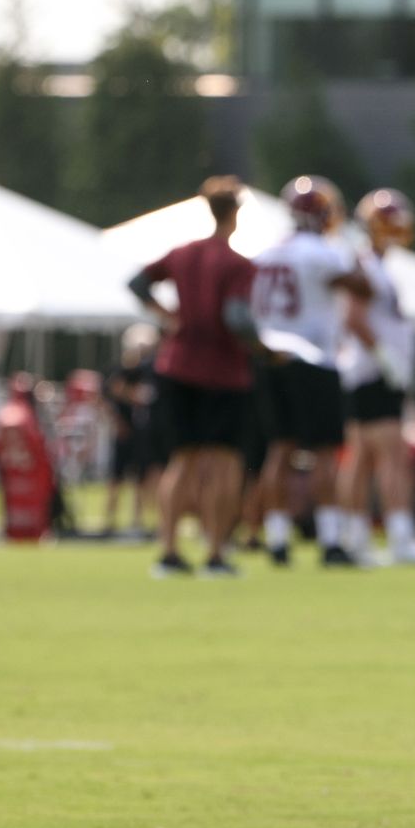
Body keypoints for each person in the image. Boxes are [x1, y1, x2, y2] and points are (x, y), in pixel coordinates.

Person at [127, 176, 269, 578]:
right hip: (224, 371)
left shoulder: (182, 253)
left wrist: (169, 319)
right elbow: (238, 319)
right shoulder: (237, 263)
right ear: (235, 215)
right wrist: (266, 350)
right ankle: (216, 553)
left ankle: (169, 552)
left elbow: (138, 283)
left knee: (181, 461)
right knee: (224, 464)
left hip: (177, 367)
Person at [252, 176, 372, 569]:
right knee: (323, 452)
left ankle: (278, 540)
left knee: (279, 450)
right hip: (314, 359)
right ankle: (330, 541)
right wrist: (355, 254)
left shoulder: (266, 253)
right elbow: (362, 287)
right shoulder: (322, 251)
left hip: (271, 357)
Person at [336, 189, 415, 566]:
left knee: (363, 458)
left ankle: (354, 537)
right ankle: (399, 535)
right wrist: (385, 356)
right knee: (391, 456)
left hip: (368, 373)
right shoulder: (365, 265)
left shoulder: (377, 265)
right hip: (372, 373)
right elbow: (353, 316)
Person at [101, 323, 164, 537]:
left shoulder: (148, 370)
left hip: (140, 432)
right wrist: (119, 419)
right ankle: (109, 520)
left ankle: (137, 520)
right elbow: (111, 395)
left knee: (140, 477)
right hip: (123, 432)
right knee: (116, 477)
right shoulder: (119, 371)